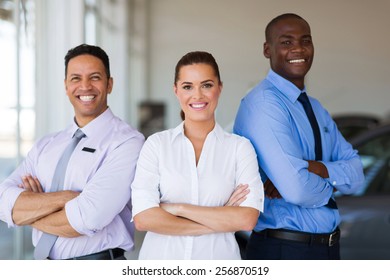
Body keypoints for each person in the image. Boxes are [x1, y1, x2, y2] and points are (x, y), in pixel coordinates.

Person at [233, 13, 365, 259]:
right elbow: (298, 190)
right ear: (267, 49)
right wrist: (334, 182)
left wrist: (313, 168)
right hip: (284, 249)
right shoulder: (263, 104)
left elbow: (358, 175)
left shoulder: (315, 108)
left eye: (305, 40)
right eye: (286, 42)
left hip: (326, 248)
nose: (298, 48)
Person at [0, 44, 144, 260]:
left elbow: (87, 217)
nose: (85, 86)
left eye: (95, 77)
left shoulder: (127, 142)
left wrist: (29, 212)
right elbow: (4, 203)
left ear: (110, 84)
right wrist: (67, 198)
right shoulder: (46, 145)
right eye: (76, 78)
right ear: (66, 86)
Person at [131, 51, 264, 259]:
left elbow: (246, 219)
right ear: (176, 91)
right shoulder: (156, 145)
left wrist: (178, 208)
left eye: (207, 85)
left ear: (219, 87)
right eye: (187, 86)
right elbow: (144, 218)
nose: (198, 95)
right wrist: (220, 219)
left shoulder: (240, 148)